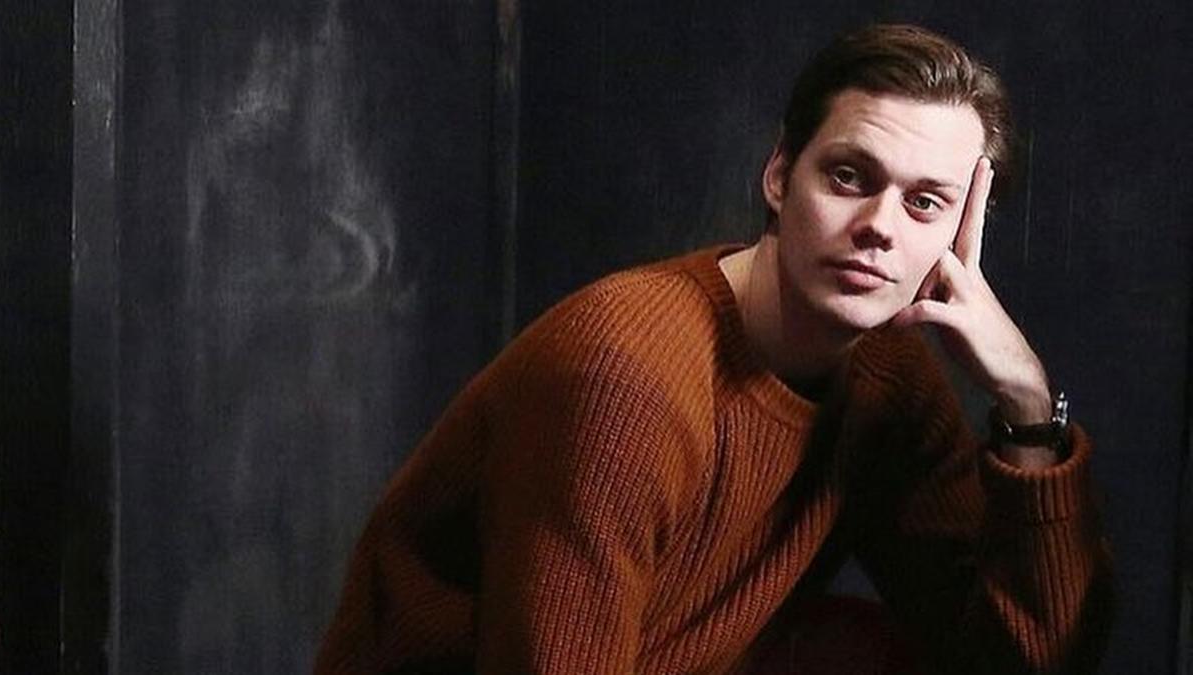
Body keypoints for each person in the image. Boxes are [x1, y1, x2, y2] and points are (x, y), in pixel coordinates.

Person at [315, 23, 1111, 674]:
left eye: (925, 202)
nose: (879, 226)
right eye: (848, 177)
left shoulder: (886, 378)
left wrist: (1026, 400)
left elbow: (1024, 659)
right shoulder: (626, 376)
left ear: (962, 234)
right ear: (780, 176)